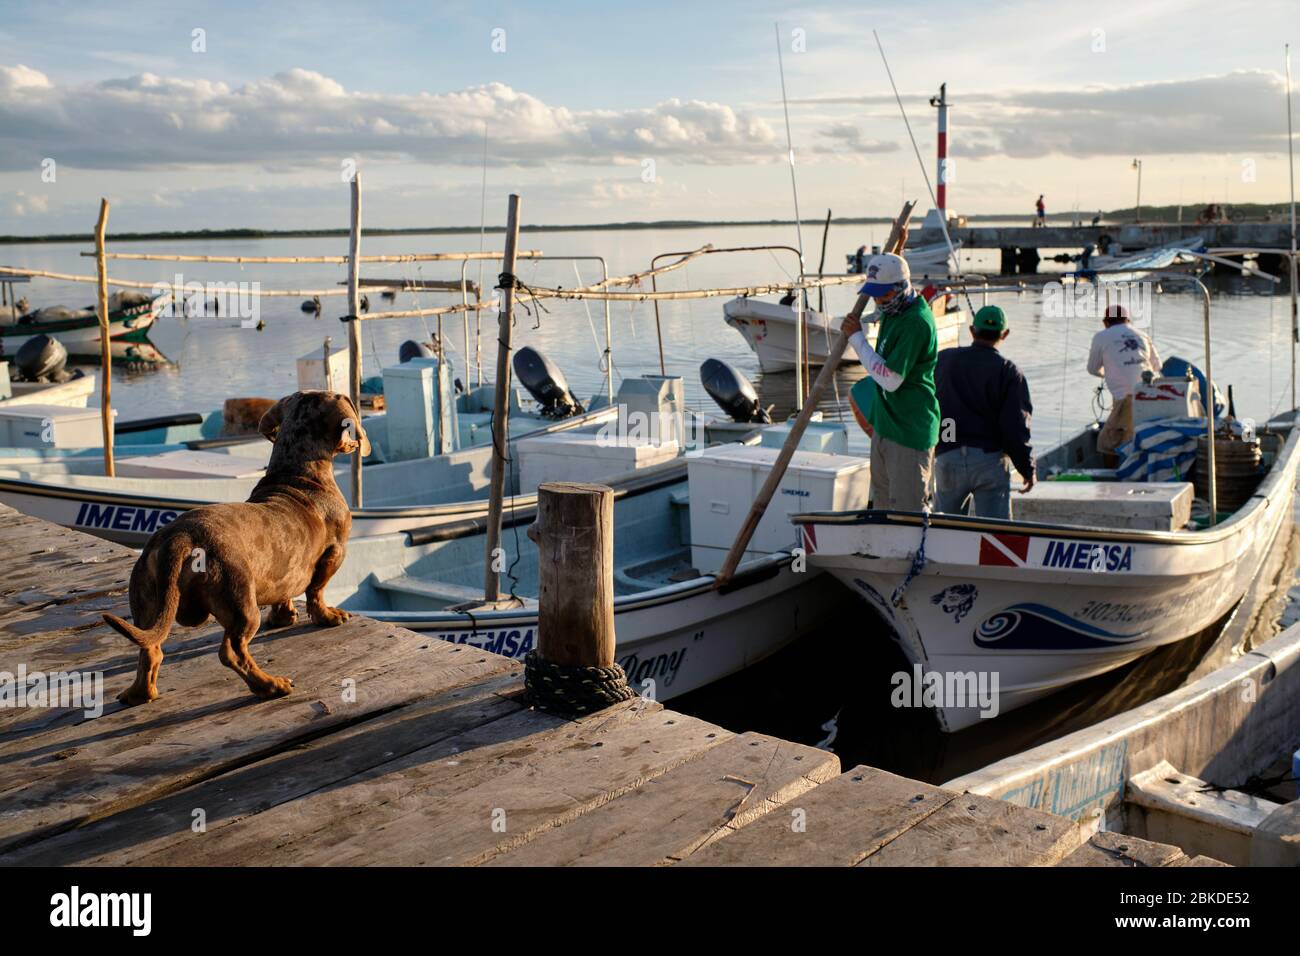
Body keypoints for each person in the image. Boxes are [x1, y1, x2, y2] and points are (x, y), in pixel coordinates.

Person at [840, 250, 940, 512]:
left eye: (883, 293)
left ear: (902, 288)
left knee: (906, 514)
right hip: (886, 427)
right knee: (883, 509)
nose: (877, 300)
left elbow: (891, 380)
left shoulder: (915, 322)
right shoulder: (893, 308)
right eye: (873, 293)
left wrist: (856, 339)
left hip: (908, 432)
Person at [933, 305, 1034, 519]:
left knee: (943, 532)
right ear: (1005, 334)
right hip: (989, 459)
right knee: (993, 535)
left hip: (947, 456)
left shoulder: (943, 360)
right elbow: (1016, 426)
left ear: (971, 331)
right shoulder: (1008, 371)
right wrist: (1027, 469)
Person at [1088, 303, 1162, 456]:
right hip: (1152, 395)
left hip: (1126, 397)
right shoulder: (1142, 334)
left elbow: (1092, 368)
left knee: (1106, 444)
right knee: (1131, 436)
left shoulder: (1101, 336)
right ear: (1128, 321)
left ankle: (1114, 477)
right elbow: (1157, 366)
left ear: (1105, 322)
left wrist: (1106, 373)